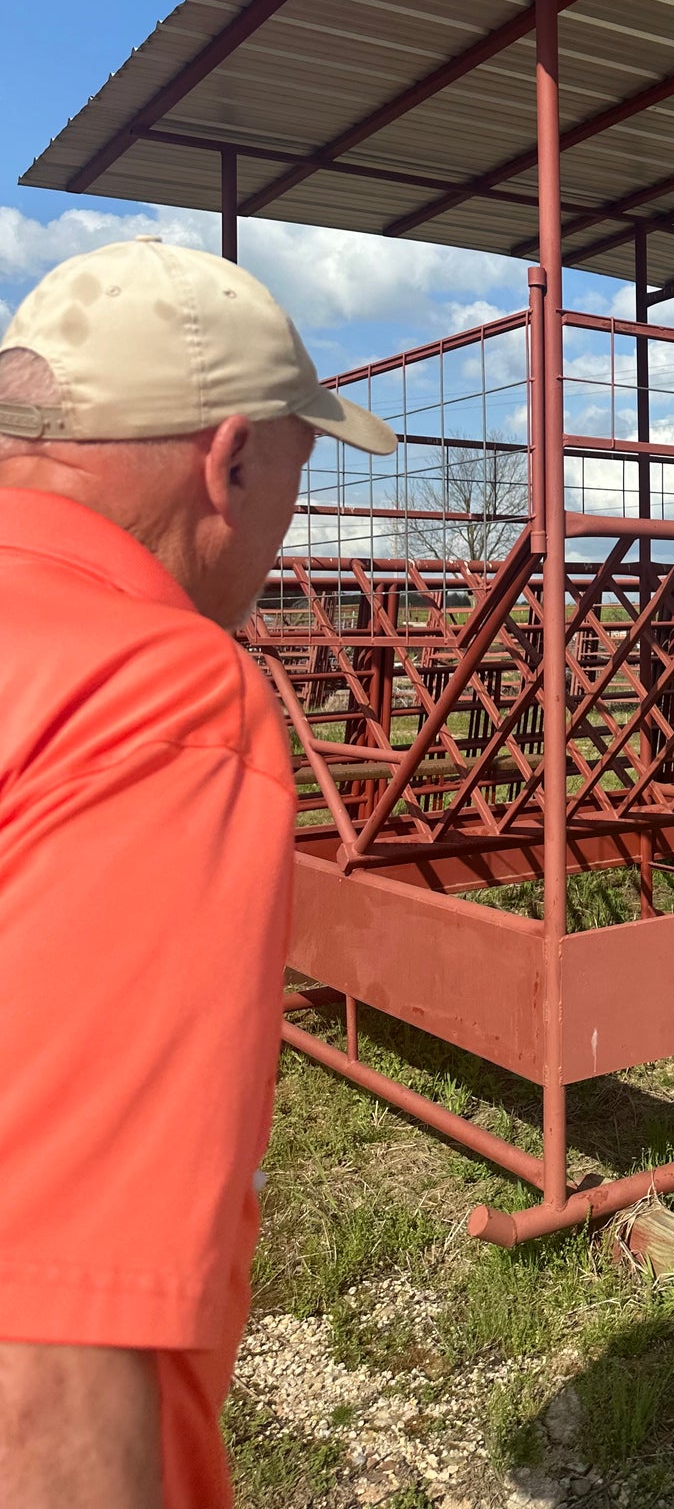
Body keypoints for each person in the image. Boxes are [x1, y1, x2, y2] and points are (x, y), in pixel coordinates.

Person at [0, 237, 395, 1508]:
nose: (290, 522)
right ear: (229, 459)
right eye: (299, 467)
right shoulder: (144, 693)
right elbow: (51, 1344)